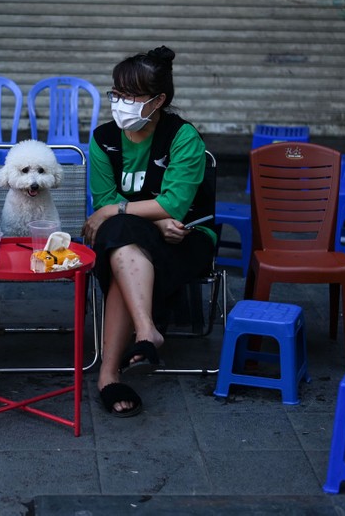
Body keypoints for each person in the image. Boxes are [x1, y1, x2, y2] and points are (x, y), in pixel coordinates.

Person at [81, 45, 216, 418]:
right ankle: (145, 333)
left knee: (120, 238)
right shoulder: (104, 138)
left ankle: (108, 375)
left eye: (131, 95)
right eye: (116, 93)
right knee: (123, 241)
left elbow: (175, 205)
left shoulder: (182, 136)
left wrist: (117, 209)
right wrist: (150, 218)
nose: (120, 102)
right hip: (142, 235)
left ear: (158, 100)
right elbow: (108, 198)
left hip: (184, 238)